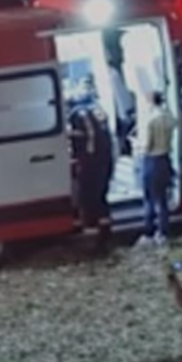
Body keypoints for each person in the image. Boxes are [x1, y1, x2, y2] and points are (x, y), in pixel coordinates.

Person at [67, 91, 114, 252]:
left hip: (90, 164)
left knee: (87, 199)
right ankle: (105, 234)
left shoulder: (77, 115)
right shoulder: (96, 111)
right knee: (101, 198)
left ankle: (93, 241)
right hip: (104, 161)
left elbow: (85, 140)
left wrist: (80, 159)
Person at [137, 89, 178, 247]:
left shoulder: (151, 120)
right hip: (165, 159)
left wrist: (138, 146)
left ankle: (148, 232)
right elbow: (175, 125)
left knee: (149, 198)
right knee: (162, 199)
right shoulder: (168, 117)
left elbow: (147, 145)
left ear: (150, 101)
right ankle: (163, 232)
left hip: (152, 161)